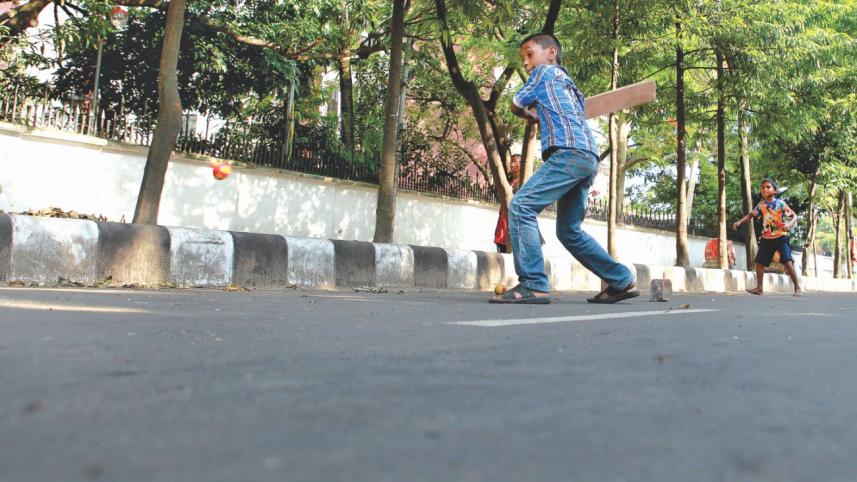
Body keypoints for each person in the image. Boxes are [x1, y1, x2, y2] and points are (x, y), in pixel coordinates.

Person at [490, 33, 638, 304]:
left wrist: (528, 115)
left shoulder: (543, 72)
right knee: (569, 230)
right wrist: (539, 115)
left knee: (521, 206)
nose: (525, 62)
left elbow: (515, 104)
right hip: (588, 157)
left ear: (550, 54)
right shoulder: (571, 87)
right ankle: (620, 280)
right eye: (523, 58)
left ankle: (533, 284)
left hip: (568, 155)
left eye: (529, 54)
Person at [732, 178, 801, 296]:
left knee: (788, 263)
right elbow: (750, 215)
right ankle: (759, 288)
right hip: (767, 238)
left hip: (781, 237)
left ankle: (797, 288)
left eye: (768, 187)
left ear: (774, 191)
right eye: (763, 187)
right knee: (759, 262)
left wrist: (789, 225)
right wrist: (739, 222)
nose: (765, 189)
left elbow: (794, 216)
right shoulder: (761, 205)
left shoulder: (780, 204)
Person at [494, 155, 522, 253]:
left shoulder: (523, 183)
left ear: (521, 165)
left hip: (514, 225)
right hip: (502, 224)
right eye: (511, 162)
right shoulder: (508, 182)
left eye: (515, 162)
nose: (511, 164)